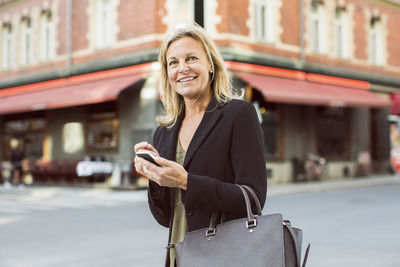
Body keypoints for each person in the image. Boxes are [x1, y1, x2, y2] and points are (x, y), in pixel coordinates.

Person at [133, 24, 267, 267]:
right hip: (178, 256)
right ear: (167, 74)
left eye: (191, 58)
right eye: (173, 62)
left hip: (225, 257)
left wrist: (185, 181)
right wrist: (154, 175)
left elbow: (253, 199)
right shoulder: (164, 132)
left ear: (211, 64)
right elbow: (165, 217)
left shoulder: (238, 114)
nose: (182, 68)